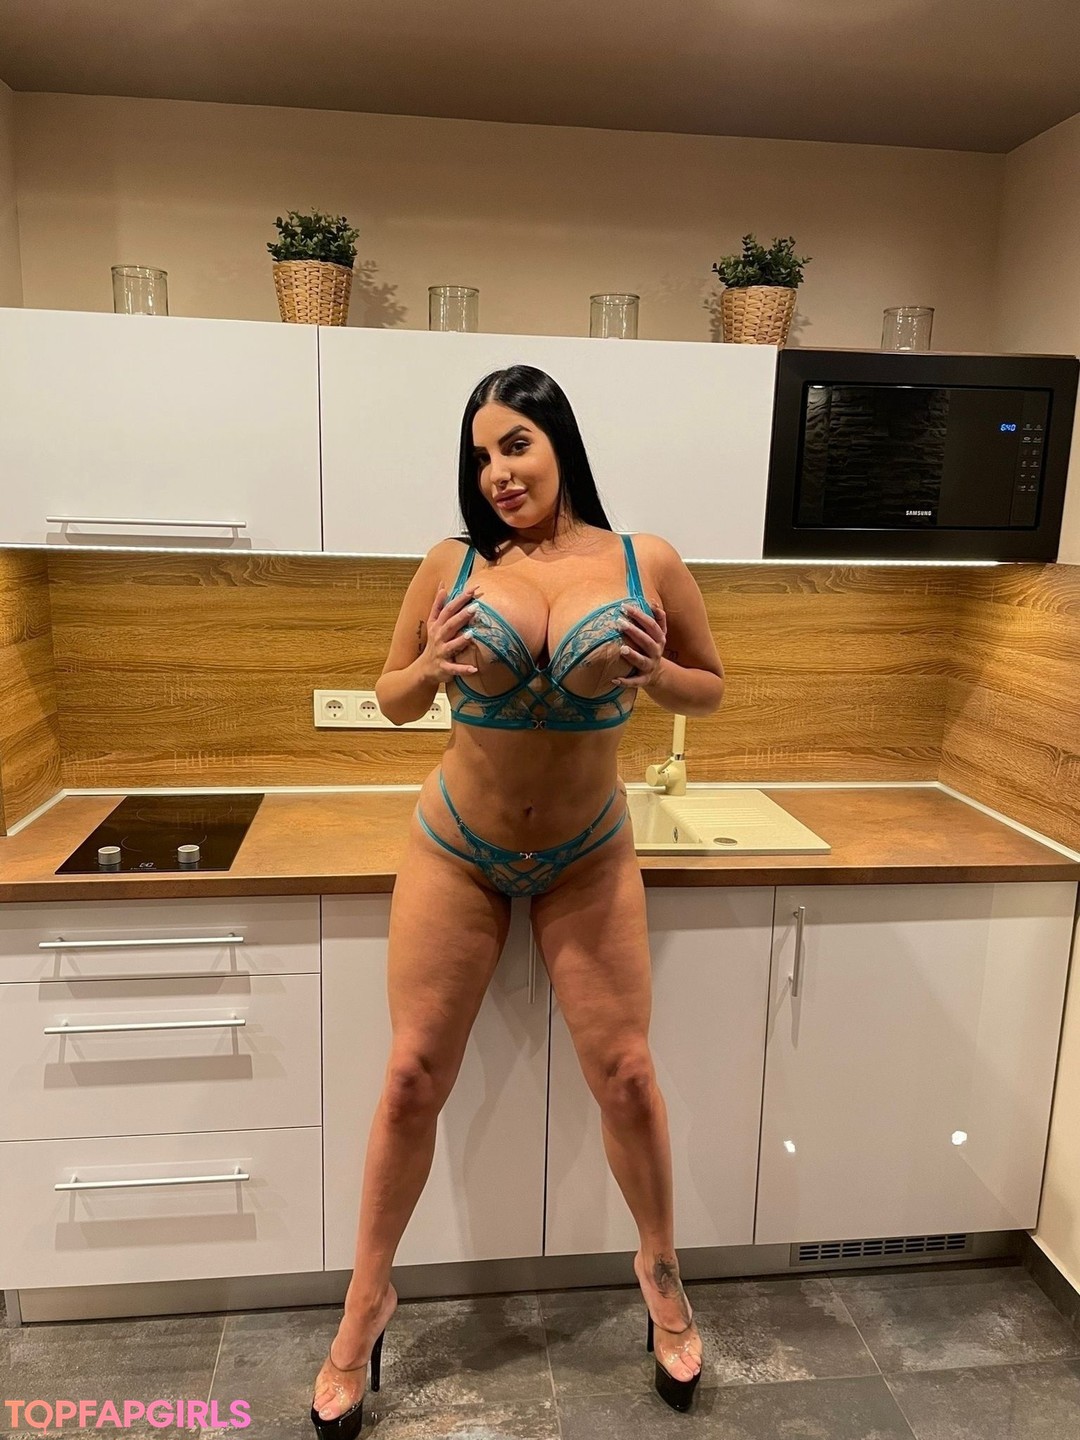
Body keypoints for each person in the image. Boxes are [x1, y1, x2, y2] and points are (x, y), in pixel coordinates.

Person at [310, 364, 725, 1436]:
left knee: (628, 1075)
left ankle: (662, 1272)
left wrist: (657, 675)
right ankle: (366, 1301)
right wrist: (431, 665)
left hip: (588, 854)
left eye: (516, 446)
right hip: (458, 848)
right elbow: (392, 697)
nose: (498, 473)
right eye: (481, 455)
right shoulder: (451, 564)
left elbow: (710, 687)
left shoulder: (644, 561)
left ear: (559, 445)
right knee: (410, 1077)